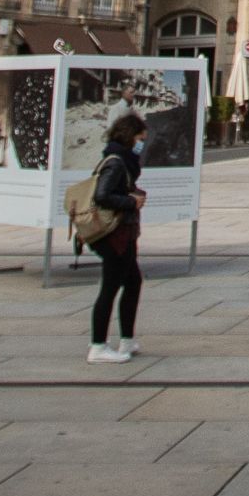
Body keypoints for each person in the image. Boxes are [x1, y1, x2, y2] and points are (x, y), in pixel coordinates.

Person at [85, 112, 150, 365]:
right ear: (130, 137)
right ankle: (98, 346)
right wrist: (130, 201)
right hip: (115, 236)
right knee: (110, 288)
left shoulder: (124, 160)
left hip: (125, 233)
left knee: (133, 282)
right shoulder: (116, 162)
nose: (142, 143)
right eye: (140, 139)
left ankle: (127, 339)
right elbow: (102, 196)